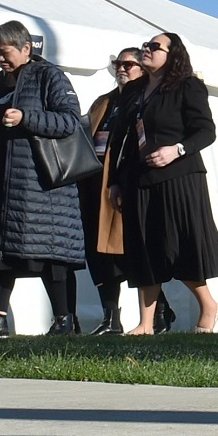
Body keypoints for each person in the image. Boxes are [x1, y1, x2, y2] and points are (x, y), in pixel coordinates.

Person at [0, 20, 88, 338]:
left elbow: (69, 120)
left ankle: (64, 320)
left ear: (26, 48)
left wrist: (27, 117)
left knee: (50, 252)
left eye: (5, 51)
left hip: (41, 187)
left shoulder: (48, 76)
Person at [108, 32, 218, 333]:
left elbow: (206, 131)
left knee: (179, 247)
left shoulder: (187, 86)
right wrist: (114, 181)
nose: (146, 50)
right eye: (145, 46)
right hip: (139, 178)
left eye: (154, 46)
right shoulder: (134, 90)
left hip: (179, 177)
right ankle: (146, 323)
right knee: (144, 248)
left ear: (172, 54)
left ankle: (208, 306)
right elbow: (121, 140)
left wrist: (177, 150)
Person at [79, 49, 155, 335]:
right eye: (117, 64)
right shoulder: (104, 101)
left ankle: (158, 311)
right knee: (98, 252)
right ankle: (110, 316)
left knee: (131, 251)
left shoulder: (145, 100)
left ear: (142, 69)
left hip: (125, 184)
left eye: (128, 64)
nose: (121, 68)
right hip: (93, 182)